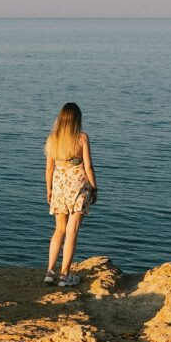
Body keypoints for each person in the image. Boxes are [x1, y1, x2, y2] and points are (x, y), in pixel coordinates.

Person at [43, 102, 98, 287]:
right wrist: (95, 187)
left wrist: (49, 189)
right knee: (72, 231)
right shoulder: (81, 138)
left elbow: (49, 168)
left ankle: (50, 272)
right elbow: (88, 166)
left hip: (58, 185)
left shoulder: (53, 139)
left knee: (59, 229)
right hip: (78, 186)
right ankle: (65, 275)